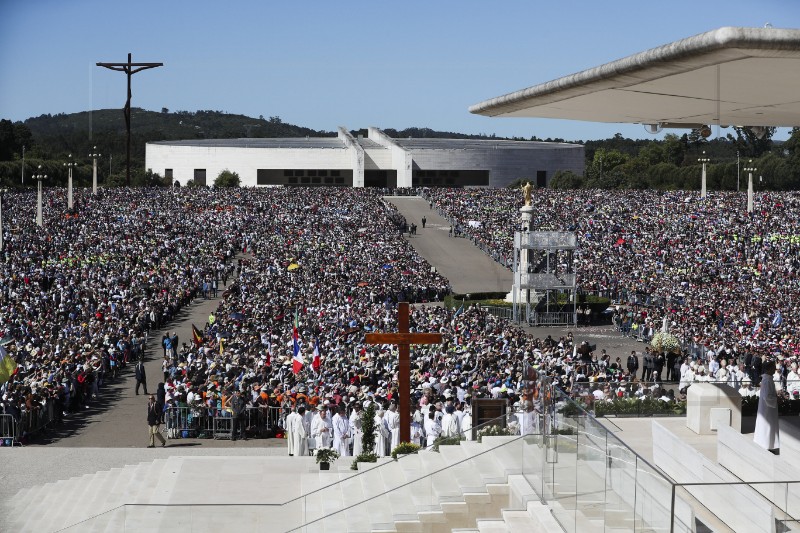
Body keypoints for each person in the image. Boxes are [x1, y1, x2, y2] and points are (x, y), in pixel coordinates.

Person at [754, 359, 780, 454]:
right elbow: (767, 397)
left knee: (768, 426)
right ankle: (765, 445)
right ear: (769, 369)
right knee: (766, 426)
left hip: (769, 408)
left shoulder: (768, 379)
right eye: (773, 367)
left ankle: (769, 444)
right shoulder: (767, 380)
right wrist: (776, 399)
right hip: (767, 409)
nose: (775, 369)